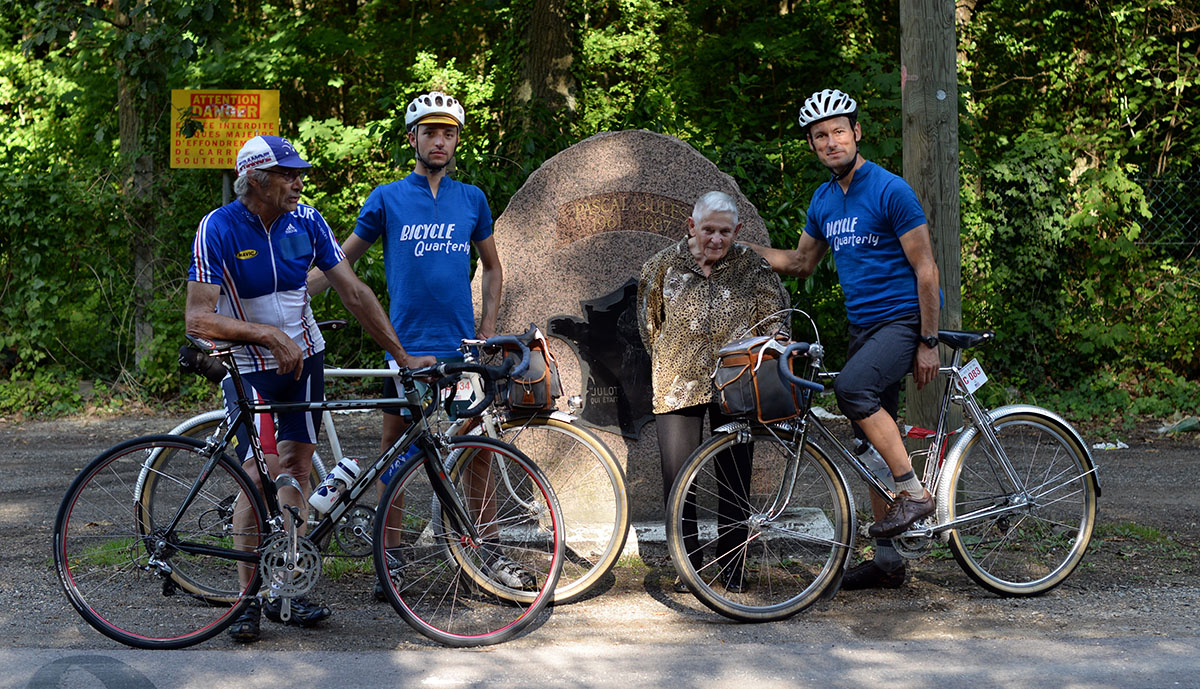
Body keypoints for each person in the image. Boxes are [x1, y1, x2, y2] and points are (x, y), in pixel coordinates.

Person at [185, 134, 435, 642]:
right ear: (255, 179)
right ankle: (247, 598)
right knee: (259, 474)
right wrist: (268, 334)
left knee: (299, 466)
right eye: (288, 174)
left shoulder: (308, 221)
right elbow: (197, 319)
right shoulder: (218, 227)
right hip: (251, 365)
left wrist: (403, 357)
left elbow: (354, 291)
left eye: (301, 174)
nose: (299, 183)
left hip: (305, 360)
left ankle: (286, 590)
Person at [306, 91, 518, 596]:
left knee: (477, 450)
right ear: (413, 139)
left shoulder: (472, 198)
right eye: (429, 132)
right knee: (396, 451)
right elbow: (342, 262)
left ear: (456, 140)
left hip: (461, 347)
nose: (439, 141)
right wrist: (291, 297)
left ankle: (479, 552)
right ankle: (392, 557)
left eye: (447, 133)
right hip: (405, 345)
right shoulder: (386, 197)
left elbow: (492, 267)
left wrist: (487, 327)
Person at [748, 88, 942, 590]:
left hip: (900, 322)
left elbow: (926, 270)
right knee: (866, 443)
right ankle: (887, 561)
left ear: (856, 133)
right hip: (863, 328)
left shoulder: (890, 190)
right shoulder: (823, 199)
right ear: (812, 146)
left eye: (838, 131)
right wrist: (735, 246)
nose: (830, 141)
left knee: (852, 390)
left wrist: (928, 340)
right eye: (820, 136)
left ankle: (914, 492)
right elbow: (799, 262)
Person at [638, 190, 790, 593]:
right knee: (680, 480)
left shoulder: (754, 268)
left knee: (735, 480)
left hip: (738, 383)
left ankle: (733, 568)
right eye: (709, 230)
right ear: (691, 226)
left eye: (725, 232)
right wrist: (674, 359)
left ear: (738, 230)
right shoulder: (661, 267)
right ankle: (687, 569)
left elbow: (776, 323)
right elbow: (649, 325)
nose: (717, 240)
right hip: (676, 382)